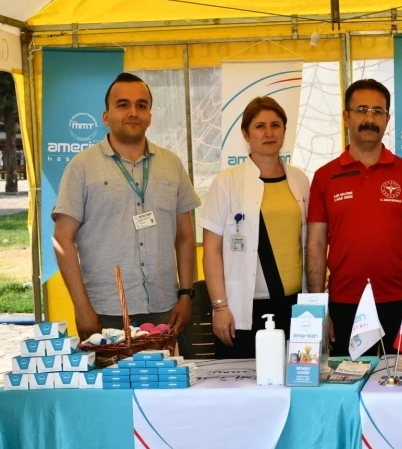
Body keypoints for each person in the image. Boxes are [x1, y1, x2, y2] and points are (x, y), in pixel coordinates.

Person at [53, 72, 200, 340]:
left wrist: (186, 294)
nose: (133, 112)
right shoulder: (82, 167)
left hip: (165, 309)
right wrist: (82, 307)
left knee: (164, 369)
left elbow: (186, 235)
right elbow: (62, 239)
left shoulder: (172, 165)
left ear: (150, 116)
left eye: (141, 105)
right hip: (104, 311)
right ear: (105, 116)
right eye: (123, 105)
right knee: (109, 370)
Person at [306, 79, 402, 356]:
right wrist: (319, 310)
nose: (370, 119)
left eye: (378, 112)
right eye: (361, 110)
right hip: (346, 304)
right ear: (346, 117)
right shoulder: (324, 177)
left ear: (387, 119)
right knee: (349, 380)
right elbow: (316, 246)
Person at [198, 96, 309, 359]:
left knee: (296, 377)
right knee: (241, 382)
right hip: (241, 310)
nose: (269, 133)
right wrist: (220, 307)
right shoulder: (227, 181)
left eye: (275, 125)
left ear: (284, 131)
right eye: (260, 126)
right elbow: (211, 251)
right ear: (246, 134)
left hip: (295, 307)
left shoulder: (300, 180)